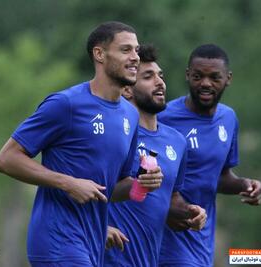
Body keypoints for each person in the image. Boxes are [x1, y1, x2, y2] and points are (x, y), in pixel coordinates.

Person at [0, 21, 163, 267]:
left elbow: (111, 189)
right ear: (99, 54)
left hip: (93, 243)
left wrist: (142, 183)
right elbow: (6, 159)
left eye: (136, 50)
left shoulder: (129, 115)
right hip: (57, 240)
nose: (135, 57)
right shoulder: (66, 104)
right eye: (126, 50)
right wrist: (68, 183)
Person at [157, 44, 261, 267]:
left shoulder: (228, 118)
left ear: (228, 78)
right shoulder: (163, 118)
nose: (205, 83)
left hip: (203, 240)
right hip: (168, 237)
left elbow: (218, 177)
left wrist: (245, 184)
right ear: (188, 75)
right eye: (198, 76)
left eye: (214, 77)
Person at [103, 44, 207, 267]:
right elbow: (81, 186)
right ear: (127, 89)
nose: (160, 82)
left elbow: (169, 198)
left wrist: (189, 212)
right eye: (148, 77)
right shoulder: (113, 135)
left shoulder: (177, 141)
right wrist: (98, 228)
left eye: (160, 76)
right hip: (107, 258)